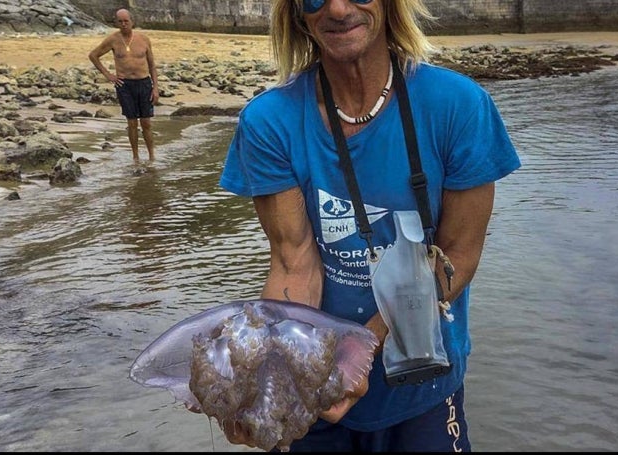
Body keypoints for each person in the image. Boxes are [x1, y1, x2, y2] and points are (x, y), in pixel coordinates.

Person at [219, 0, 521, 452]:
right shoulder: (268, 121)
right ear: (299, 13)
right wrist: (271, 378)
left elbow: (458, 255)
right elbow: (294, 263)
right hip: (316, 386)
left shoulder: (459, 106)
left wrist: (361, 347)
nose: (338, 8)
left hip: (423, 384)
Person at [88, 8, 159, 162]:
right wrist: (109, 75)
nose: (123, 24)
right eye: (120, 21)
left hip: (144, 83)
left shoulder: (143, 39)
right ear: (116, 23)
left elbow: (152, 65)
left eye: (126, 21)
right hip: (125, 85)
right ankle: (135, 156)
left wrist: (155, 88)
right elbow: (93, 55)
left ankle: (152, 156)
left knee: (146, 122)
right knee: (132, 122)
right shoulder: (113, 39)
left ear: (132, 21)